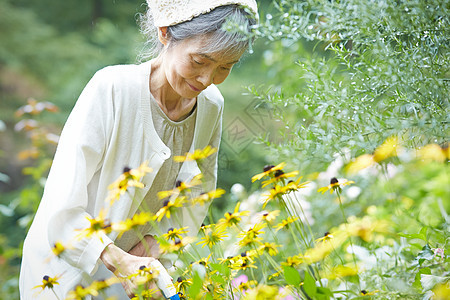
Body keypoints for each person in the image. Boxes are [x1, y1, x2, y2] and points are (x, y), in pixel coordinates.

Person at [18, 0, 258, 299]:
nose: (207, 79)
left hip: (135, 281)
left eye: (225, 67)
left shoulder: (211, 105)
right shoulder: (113, 89)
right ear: (164, 33)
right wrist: (120, 260)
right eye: (199, 61)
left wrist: (154, 247)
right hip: (62, 274)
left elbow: (198, 193)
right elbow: (62, 202)